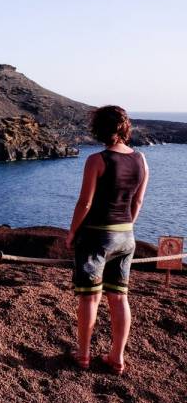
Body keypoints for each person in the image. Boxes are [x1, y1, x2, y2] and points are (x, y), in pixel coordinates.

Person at [65, 105, 149, 375]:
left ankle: (83, 356)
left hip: (96, 237)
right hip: (127, 236)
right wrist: (127, 227)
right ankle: (116, 358)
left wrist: (72, 232)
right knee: (119, 298)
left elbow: (85, 202)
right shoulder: (141, 159)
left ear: (99, 130)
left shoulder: (97, 160)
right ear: (124, 128)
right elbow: (138, 201)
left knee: (90, 299)